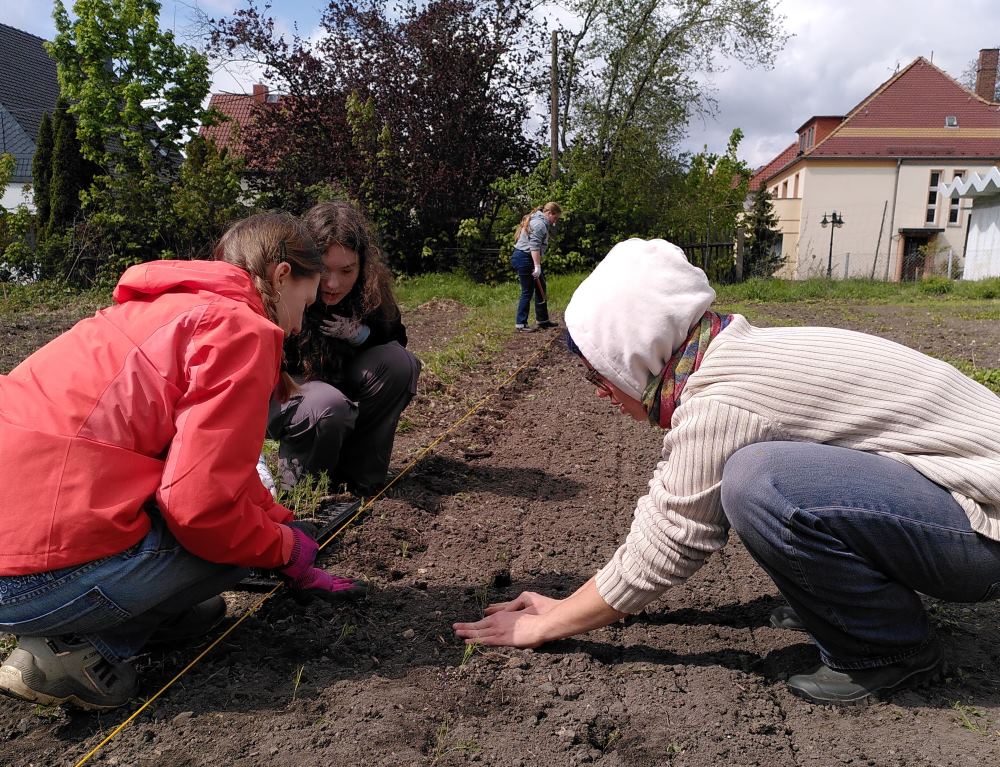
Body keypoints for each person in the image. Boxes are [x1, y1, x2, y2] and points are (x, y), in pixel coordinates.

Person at [454, 237, 1000, 705]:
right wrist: (568, 601)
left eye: (601, 379)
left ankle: (889, 648)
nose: (603, 397)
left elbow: (670, 535)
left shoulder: (724, 399)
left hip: (983, 531)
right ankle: (846, 610)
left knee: (761, 482)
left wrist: (548, 622)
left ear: (638, 354)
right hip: (960, 504)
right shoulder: (736, 352)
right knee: (774, 480)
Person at [0, 212, 366, 712]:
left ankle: (147, 613)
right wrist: (282, 549)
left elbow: (211, 469)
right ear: (282, 275)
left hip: (22, 542)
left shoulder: (167, 309)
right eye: (306, 295)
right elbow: (201, 507)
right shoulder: (242, 329)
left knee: (235, 534)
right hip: (28, 579)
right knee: (235, 548)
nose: (302, 319)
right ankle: (80, 651)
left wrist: (281, 520)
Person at [267, 201, 421, 496]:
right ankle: (305, 491)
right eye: (323, 270)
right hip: (291, 391)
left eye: (347, 271)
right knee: (326, 403)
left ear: (362, 266)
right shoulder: (281, 288)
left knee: (399, 363)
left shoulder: (370, 291)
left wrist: (361, 335)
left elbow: (394, 335)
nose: (333, 284)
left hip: (340, 385)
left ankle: (359, 478)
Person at [510, 201, 561, 333]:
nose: (554, 222)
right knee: (527, 291)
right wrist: (537, 266)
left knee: (541, 286)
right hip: (524, 258)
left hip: (527, 257)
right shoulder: (539, 224)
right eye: (555, 218)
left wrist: (537, 266)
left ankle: (542, 320)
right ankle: (521, 324)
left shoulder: (539, 221)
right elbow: (534, 247)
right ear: (549, 213)